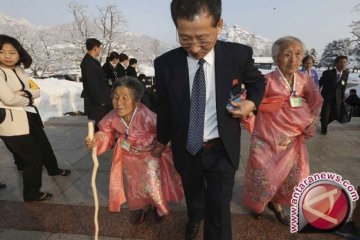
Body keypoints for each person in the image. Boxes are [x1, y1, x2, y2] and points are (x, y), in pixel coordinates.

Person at [151, 1, 265, 239]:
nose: (194, 48)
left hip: (221, 147)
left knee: (220, 212)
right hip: (186, 147)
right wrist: (162, 140)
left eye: (203, 39)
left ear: (219, 25)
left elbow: (258, 82)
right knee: (193, 194)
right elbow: (164, 106)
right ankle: (194, 218)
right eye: (185, 38)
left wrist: (251, 103)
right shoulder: (165, 65)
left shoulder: (237, 55)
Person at [242, 36, 323, 226]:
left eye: (297, 54)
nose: (293, 60)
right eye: (287, 55)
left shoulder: (304, 80)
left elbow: (315, 100)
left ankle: (276, 203)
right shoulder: (266, 81)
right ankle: (259, 204)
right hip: (267, 140)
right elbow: (248, 101)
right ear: (275, 57)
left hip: (293, 141)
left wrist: (309, 120)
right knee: (265, 174)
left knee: (292, 174)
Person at [85, 77, 184, 225]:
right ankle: (143, 207)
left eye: (125, 98)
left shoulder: (146, 115)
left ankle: (159, 208)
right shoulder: (112, 116)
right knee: (134, 186)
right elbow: (106, 133)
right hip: (128, 157)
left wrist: (161, 146)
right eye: (116, 97)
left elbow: (164, 131)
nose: (119, 103)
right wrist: (96, 140)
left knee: (152, 184)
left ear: (137, 101)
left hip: (150, 156)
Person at [0, 34, 70, 202]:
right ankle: (31, 193)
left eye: (12, 52)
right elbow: (8, 99)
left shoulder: (19, 70)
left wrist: (24, 95)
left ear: (19, 54)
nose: (7, 56)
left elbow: (36, 89)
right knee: (32, 157)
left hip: (28, 115)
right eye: (2, 52)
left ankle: (53, 169)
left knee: (44, 146)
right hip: (10, 121)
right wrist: (28, 97)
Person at [80, 38, 112, 132]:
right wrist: (100, 101)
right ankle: (98, 144)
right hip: (98, 101)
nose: (100, 50)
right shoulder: (88, 63)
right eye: (99, 48)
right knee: (100, 125)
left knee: (102, 124)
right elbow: (91, 84)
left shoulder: (92, 61)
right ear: (95, 48)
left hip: (100, 100)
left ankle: (101, 143)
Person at [319, 55, 349, 134]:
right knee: (325, 114)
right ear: (336, 63)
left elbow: (344, 85)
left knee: (335, 114)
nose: (343, 64)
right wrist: (317, 94)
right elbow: (320, 83)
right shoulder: (328, 73)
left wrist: (343, 96)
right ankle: (324, 128)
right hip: (327, 97)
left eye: (345, 62)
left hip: (338, 98)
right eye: (341, 62)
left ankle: (324, 121)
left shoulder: (346, 73)